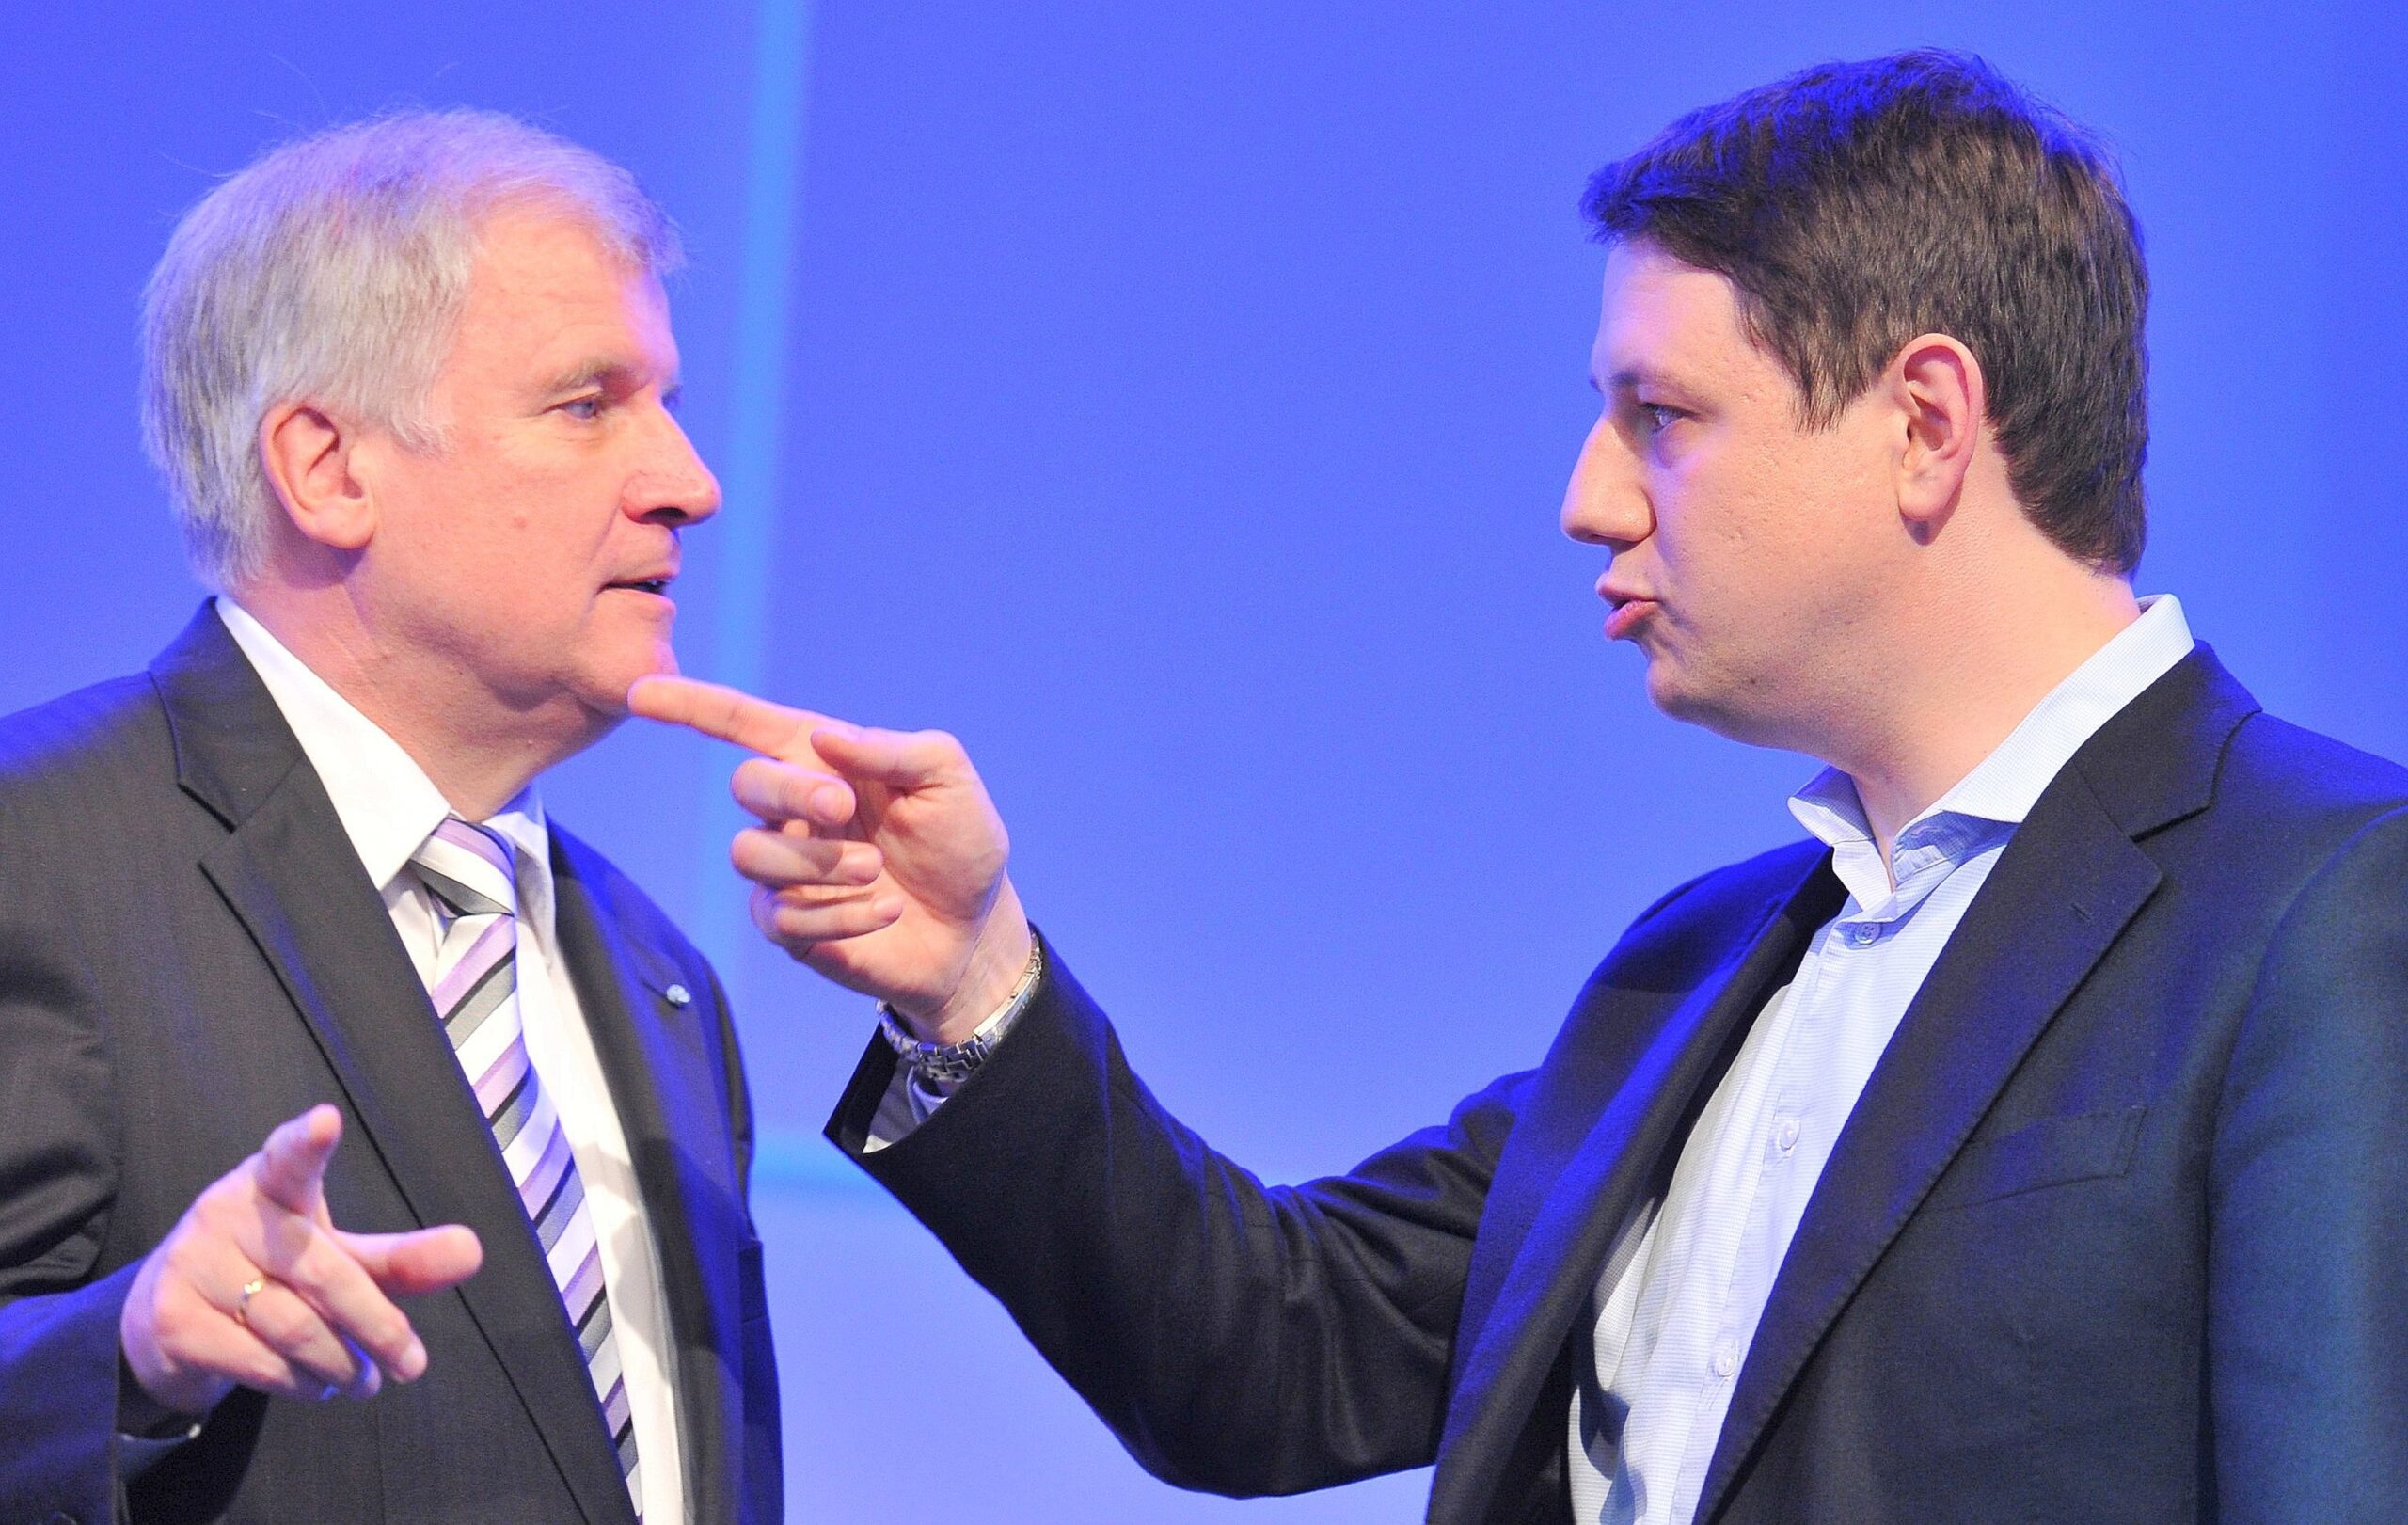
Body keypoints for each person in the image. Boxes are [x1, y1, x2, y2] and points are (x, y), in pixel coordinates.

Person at [632, 51, 2408, 1524]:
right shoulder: (1696, 972)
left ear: (1926, 423)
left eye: (1664, 415)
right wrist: (972, 982)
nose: (1590, 494)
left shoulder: (2322, 906)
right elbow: (1272, 1357)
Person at [0, 112, 778, 1523]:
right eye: (589, 403)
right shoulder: (36, 855)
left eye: (666, 401)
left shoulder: (666, 978)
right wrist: (129, 1348)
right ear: (328, 467)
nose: (689, 482)